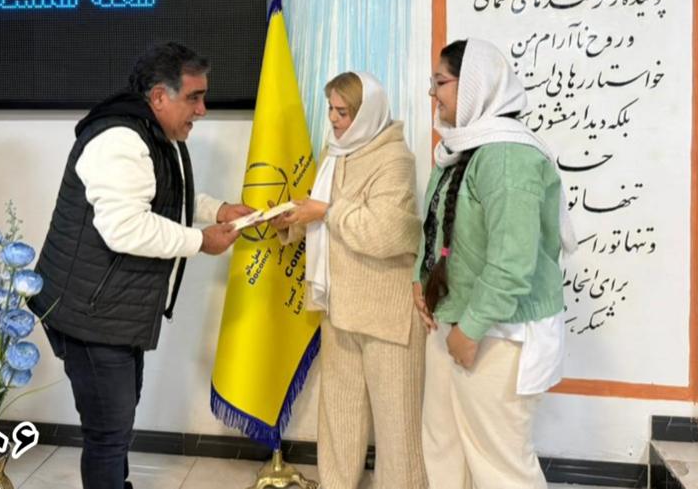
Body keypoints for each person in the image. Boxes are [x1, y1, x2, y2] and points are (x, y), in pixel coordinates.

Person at [29, 42, 252, 489]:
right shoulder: (120, 140)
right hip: (89, 314)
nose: (203, 110)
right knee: (108, 432)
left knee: (117, 424)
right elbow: (125, 228)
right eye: (194, 97)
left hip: (111, 311)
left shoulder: (150, 132)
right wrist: (200, 241)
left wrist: (219, 210)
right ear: (159, 97)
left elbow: (162, 196)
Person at [414, 39, 577, 489]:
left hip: (498, 333)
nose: (432, 93)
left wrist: (470, 330)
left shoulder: (507, 156)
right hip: (454, 320)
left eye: (440, 82)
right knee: (444, 447)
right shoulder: (461, 147)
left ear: (473, 85)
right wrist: (419, 279)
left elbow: (512, 262)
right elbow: (435, 223)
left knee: (499, 466)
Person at [272, 72, 428, 489]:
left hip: (386, 315)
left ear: (365, 114)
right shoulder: (334, 152)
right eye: (331, 109)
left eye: (342, 112)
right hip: (339, 307)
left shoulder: (394, 158)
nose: (333, 119)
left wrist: (324, 211)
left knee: (398, 428)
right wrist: (291, 221)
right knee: (339, 422)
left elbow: (385, 233)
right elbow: (322, 216)